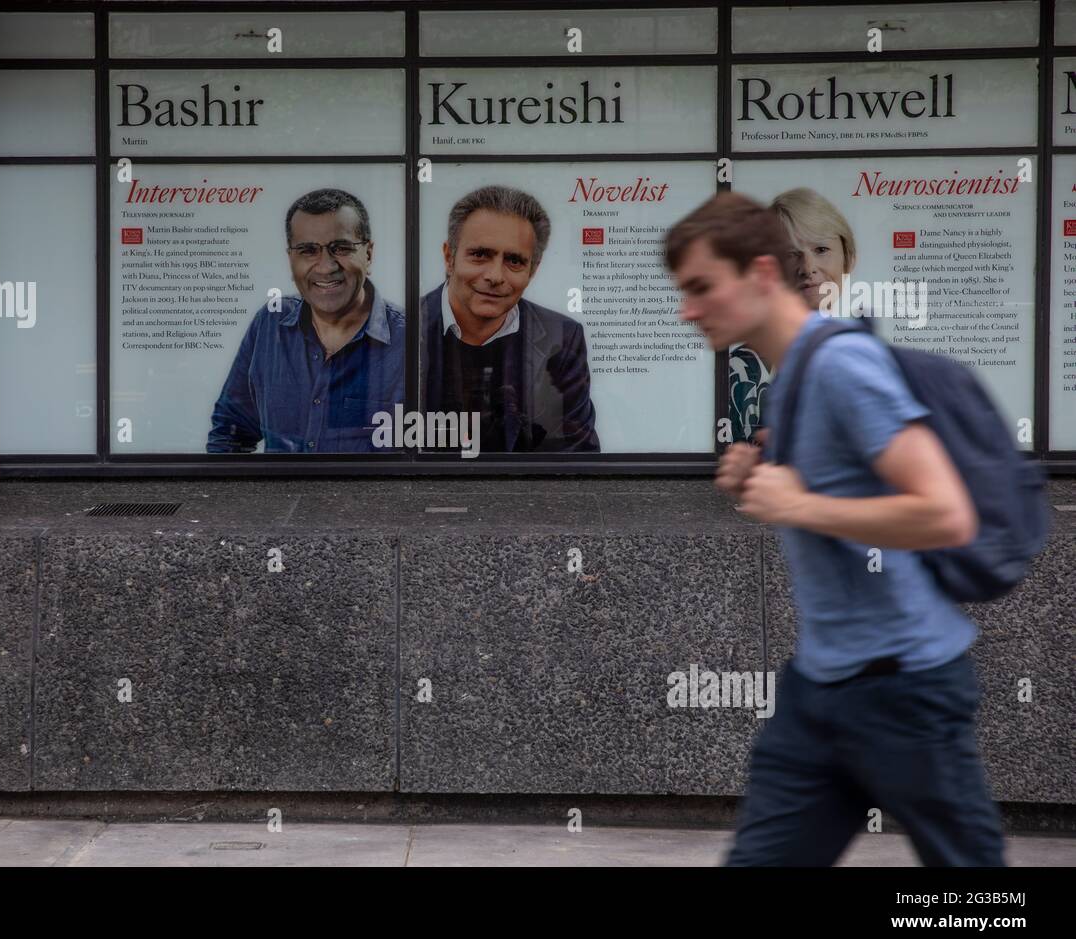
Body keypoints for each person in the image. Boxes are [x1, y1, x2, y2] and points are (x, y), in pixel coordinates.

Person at [666, 191, 1004, 867]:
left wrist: (798, 504)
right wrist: (761, 469)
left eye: (702, 287)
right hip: (819, 689)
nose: (688, 309)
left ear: (761, 275)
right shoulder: (790, 377)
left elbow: (944, 512)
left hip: (905, 688)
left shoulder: (845, 366)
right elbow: (839, 480)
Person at [206, 188, 405, 453]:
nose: (326, 266)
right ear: (291, 259)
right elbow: (230, 433)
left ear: (368, 254)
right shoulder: (269, 325)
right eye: (308, 250)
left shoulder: (412, 341)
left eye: (341, 248)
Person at [421, 185, 599, 454]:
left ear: (533, 270)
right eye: (480, 255)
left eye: (514, 260)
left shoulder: (562, 338)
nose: (495, 275)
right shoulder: (403, 328)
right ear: (449, 257)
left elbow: (575, 455)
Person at [729, 188, 858, 444]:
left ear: (848, 259)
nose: (808, 268)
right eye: (791, 254)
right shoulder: (744, 374)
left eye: (821, 249)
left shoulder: (863, 357)